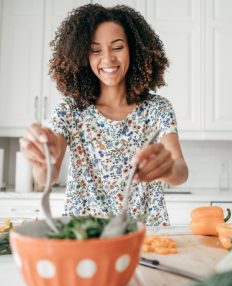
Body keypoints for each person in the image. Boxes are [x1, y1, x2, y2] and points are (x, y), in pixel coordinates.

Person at [19, 4, 188, 226]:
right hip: (85, 235)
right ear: (82, 56)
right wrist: (41, 162)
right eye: (95, 50)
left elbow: (180, 171)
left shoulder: (157, 108)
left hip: (146, 235)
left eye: (117, 47)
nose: (107, 59)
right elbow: (45, 178)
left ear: (134, 49)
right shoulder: (69, 111)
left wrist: (167, 169)